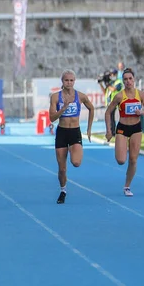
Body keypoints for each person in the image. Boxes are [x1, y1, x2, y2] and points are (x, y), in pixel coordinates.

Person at [49, 70, 95, 204]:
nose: (69, 83)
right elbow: (51, 118)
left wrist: (89, 128)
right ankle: (63, 190)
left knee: (76, 162)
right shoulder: (55, 97)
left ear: (74, 81)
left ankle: (73, 148)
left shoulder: (80, 96)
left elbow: (91, 108)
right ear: (62, 81)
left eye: (71, 80)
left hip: (75, 132)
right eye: (66, 80)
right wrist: (62, 109)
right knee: (62, 168)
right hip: (62, 133)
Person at [105, 68, 144, 197]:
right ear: (123, 81)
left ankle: (127, 186)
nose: (128, 81)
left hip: (136, 128)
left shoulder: (141, 95)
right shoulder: (119, 95)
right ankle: (122, 147)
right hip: (122, 128)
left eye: (130, 78)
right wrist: (108, 130)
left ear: (134, 79)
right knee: (121, 160)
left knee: (133, 159)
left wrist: (141, 112)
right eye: (125, 79)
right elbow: (108, 112)